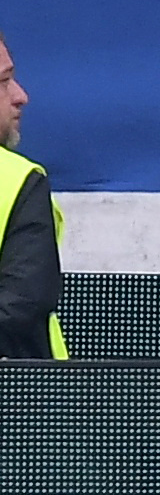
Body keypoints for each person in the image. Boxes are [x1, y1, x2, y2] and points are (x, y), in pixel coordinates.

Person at [0, 28, 57, 359]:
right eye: (3, 82)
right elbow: (21, 306)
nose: (20, 96)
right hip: (22, 403)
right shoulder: (18, 180)